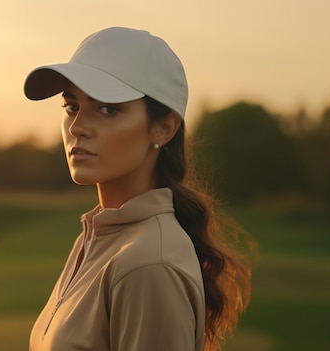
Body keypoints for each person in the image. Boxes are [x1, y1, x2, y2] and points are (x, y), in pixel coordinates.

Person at [23, 26, 252, 351]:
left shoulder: (148, 265)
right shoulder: (97, 237)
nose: (77, 127)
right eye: (72, 107)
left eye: (107, 109)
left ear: (164, 128)